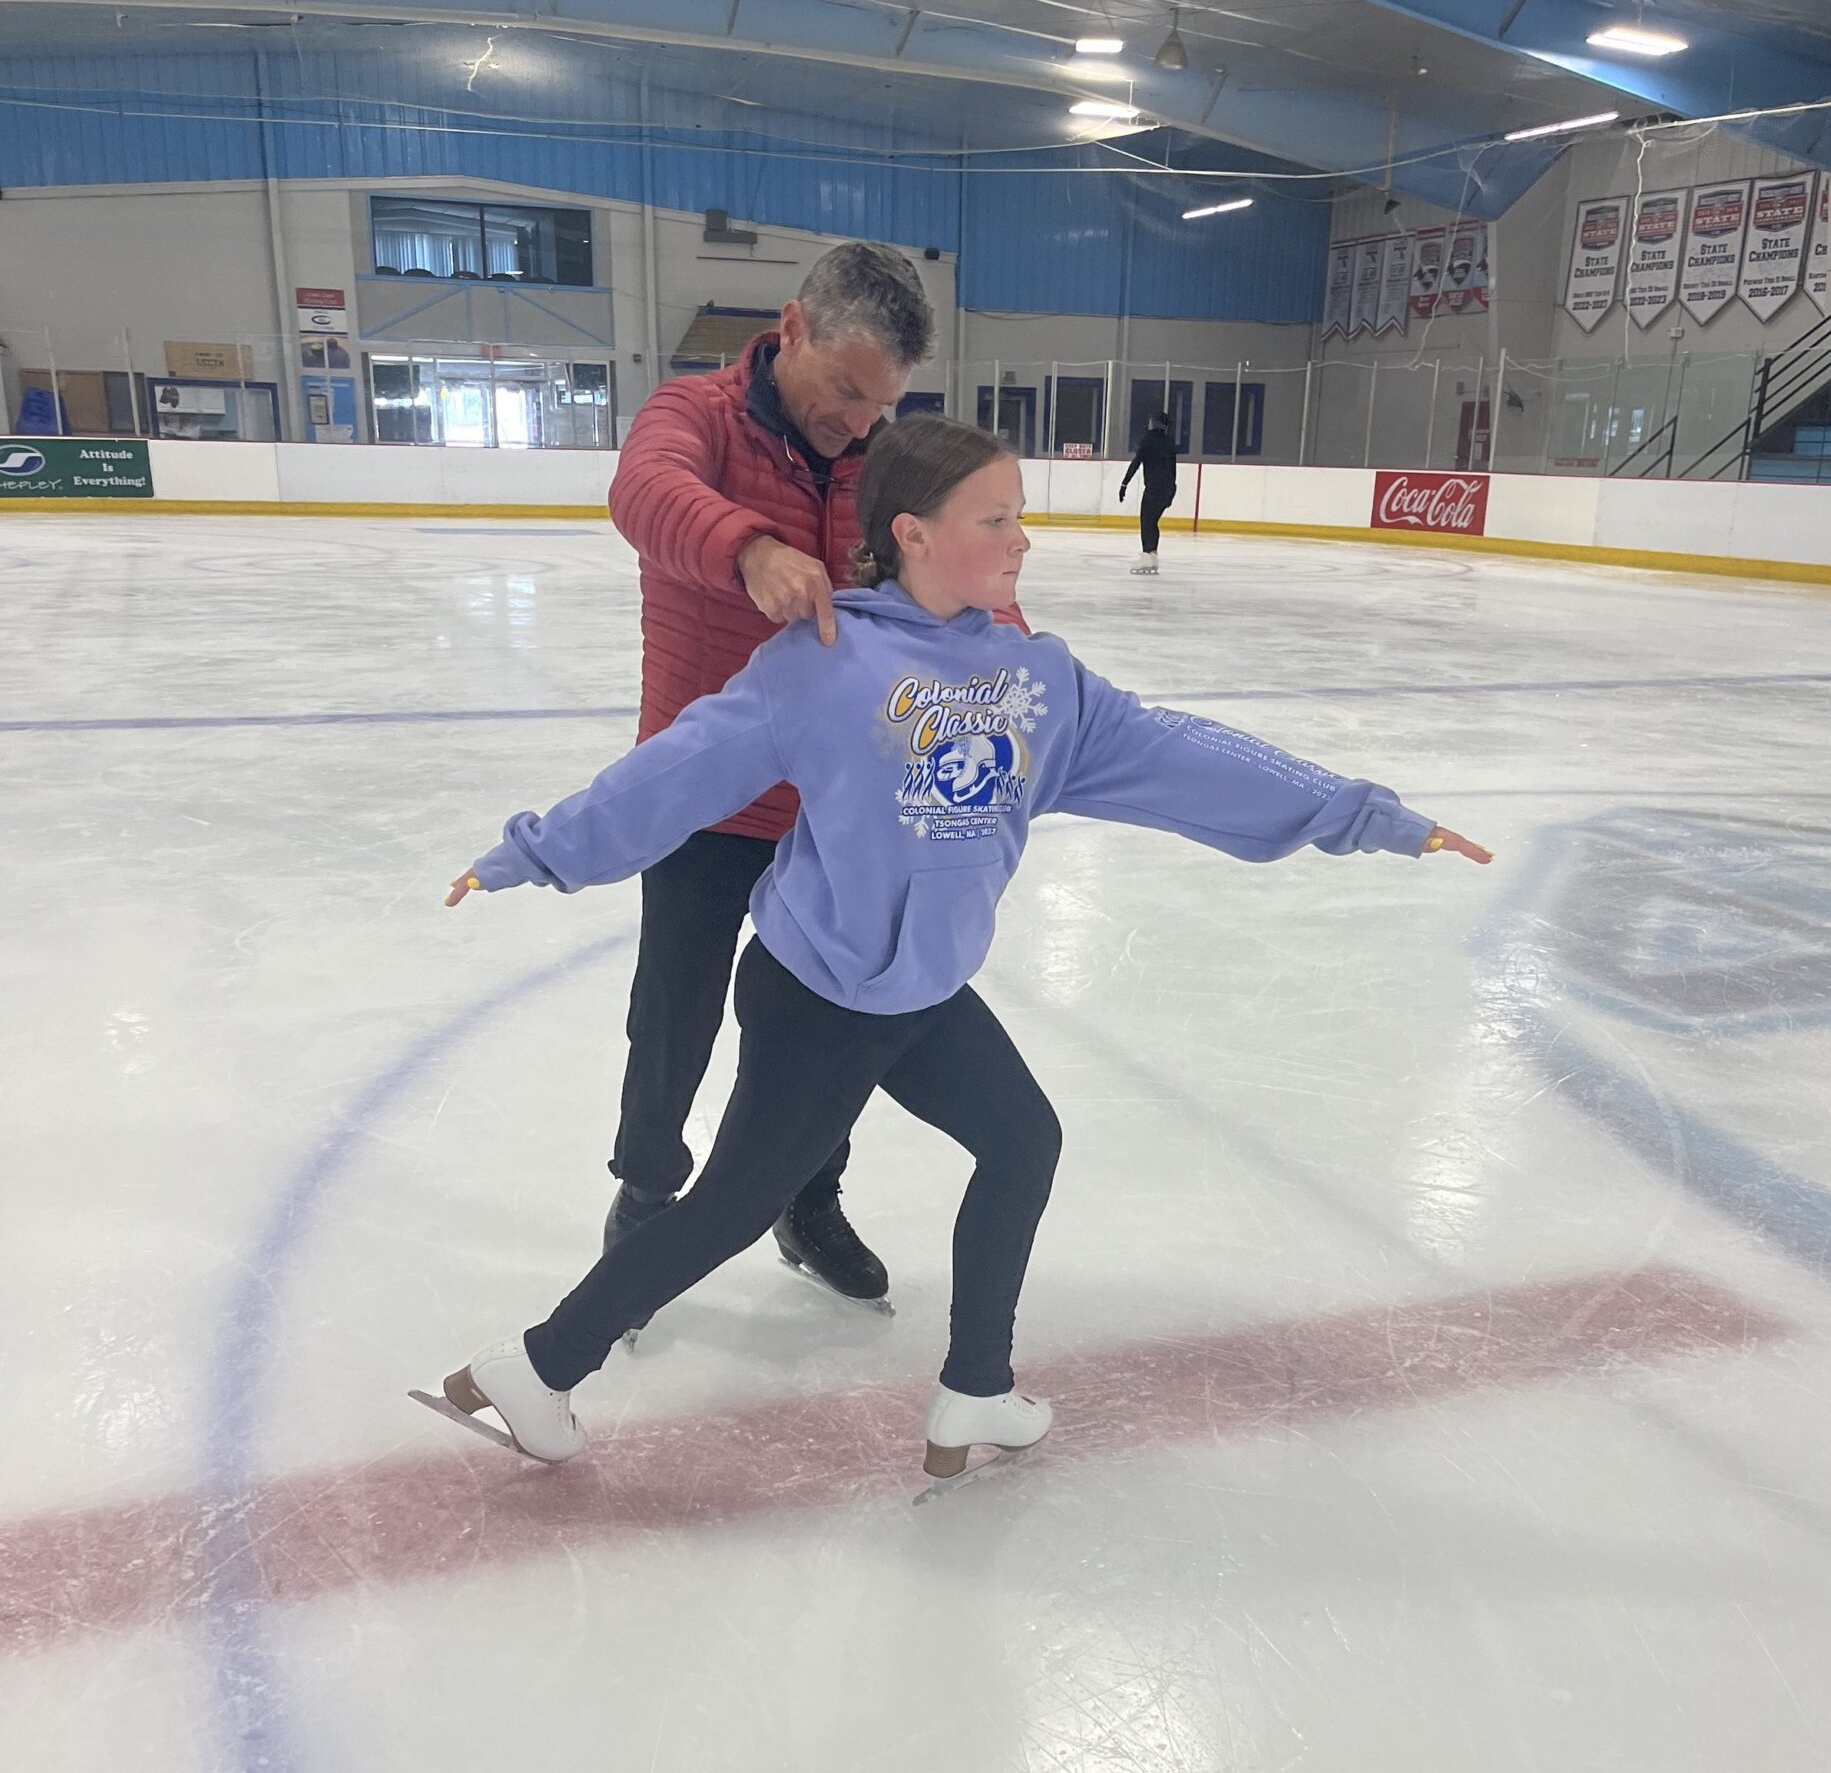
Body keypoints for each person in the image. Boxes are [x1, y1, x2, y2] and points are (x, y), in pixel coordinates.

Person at [429, 417, 1491, 1483]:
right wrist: (535, 851)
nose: (1022, 538)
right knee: (735, 1208)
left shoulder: (1037, 682)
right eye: (997, 517)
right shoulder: (825, 665)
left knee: (1023, 1141)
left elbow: (1184, 756)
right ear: (915, 533)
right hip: (820, 994)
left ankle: (977, 1383)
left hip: (922, 991)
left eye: (1019, 513)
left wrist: (1363, 814)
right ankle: (540, 1363)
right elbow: (674, 774)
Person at [602, 238, 936, 1305]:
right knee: (674, 1019)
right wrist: (749, 549)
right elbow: (644, 492)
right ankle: (647, 1196)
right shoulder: (694, 415)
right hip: (704, 796)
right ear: (790, 328)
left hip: (834, 811)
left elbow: (945, 577)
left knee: (823, 1029)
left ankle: (809, 1197)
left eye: (876, 401)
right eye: (844, 389)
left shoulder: (883, 461)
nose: (855, 419)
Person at [1119, 412, 1177, 576]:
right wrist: (1172, 490)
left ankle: (1146, 556)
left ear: (1155, 423)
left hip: (1154, 488)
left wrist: (1124, 483)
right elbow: (1173, 469)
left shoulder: (1149, 440)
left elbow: (1136, 462)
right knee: (1153, 522)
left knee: (1146, 521)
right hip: (1166, 489)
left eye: (1150, 422)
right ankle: (1153, 557)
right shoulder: (1169, 442)